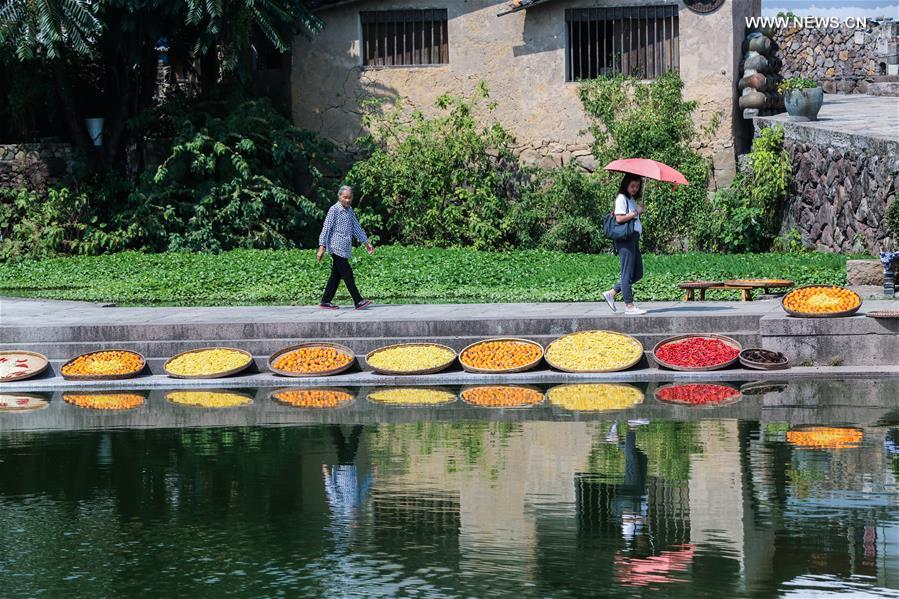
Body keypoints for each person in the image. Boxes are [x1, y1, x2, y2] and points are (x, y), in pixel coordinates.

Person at [317, 185, 374, 310]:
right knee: (347, 273)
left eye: (349, 198)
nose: (347, 200)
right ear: (339, 197)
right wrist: (322, 247)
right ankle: (358, 300)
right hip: (335, 247)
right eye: (345, 197)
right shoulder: (334, 210)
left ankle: (325, 301)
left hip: (345, 248)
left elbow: (356, 227)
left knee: (336, 276)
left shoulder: (350, 210)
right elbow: (326, 228)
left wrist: (366, 243)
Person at [603, 174, 646, 315]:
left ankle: (612, 292)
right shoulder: (621, 198)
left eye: (637, 186)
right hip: (625, 239)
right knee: (626, 273)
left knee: (638, 273)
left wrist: (638, 210)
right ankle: (629, 306)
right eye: (632, 185)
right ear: (626, 184)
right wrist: (636, 212)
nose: (635, 188)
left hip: (633, 238)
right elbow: (620, 218)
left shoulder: (631, 199)